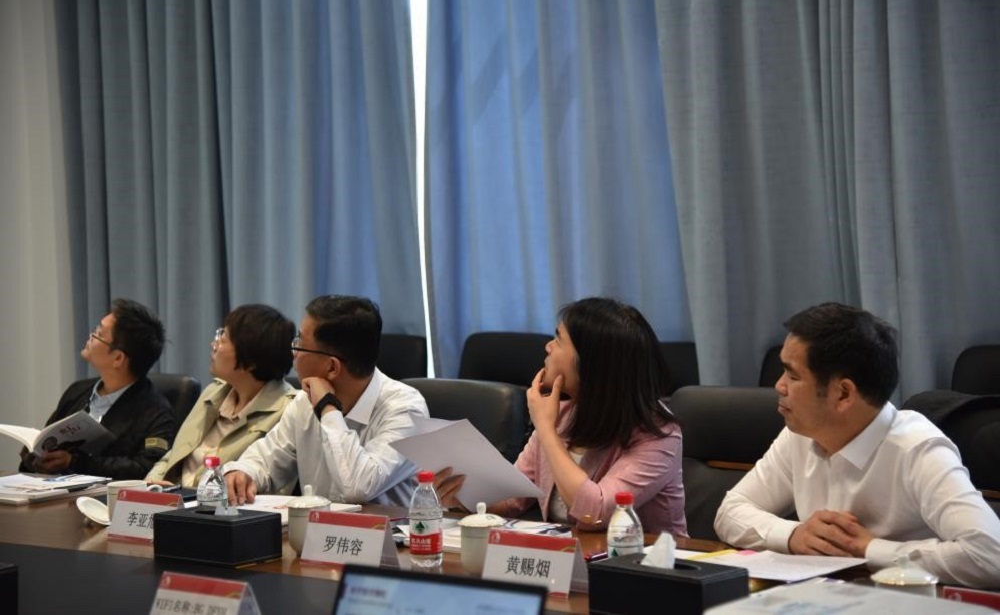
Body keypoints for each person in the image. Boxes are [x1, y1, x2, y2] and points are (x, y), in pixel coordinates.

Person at [714, 302, 1000, 588]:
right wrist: (793, 536)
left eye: (793, 375)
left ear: (843, 393)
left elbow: (990, 555)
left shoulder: (918, 449)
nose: (779, 385)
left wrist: (868, 549)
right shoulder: (801, 435)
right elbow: (730, 512)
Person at [436, 297, 687, 536]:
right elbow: (511, 499)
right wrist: (463, 496)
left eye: (558, 339)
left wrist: (546, 430)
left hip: (646, 562)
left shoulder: (659, 434)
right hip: (569, 557)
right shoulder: (562, 413)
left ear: (591, 362)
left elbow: (594, 514)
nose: (548, 346)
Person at [223, 295, 429, 506]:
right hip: (317, 527)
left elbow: (358, 487)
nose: (294, 354)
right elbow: (266, 457)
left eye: (299, 344)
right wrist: (242, 472)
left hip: (391, 528)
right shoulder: (304, 403)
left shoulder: (406, 410)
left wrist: (328, 408)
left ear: (332, 367)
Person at [19, 298, 176, 480]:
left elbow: (145, 468)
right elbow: (46, 440)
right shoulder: (77, 391)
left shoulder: (156, 413)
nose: (91, 336)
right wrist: (35, 458)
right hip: (49, 489)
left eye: (98, 333)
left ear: (118, 358)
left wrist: (75, 462)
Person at [146, 304, 297, 489]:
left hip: (217, 504)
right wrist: (150, 485)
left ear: (250, 361)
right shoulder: (213, 393)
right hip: (172, 498)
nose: (213, 345)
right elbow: (176, 454)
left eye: (222, 339)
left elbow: (272, 487)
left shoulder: (288, 409)